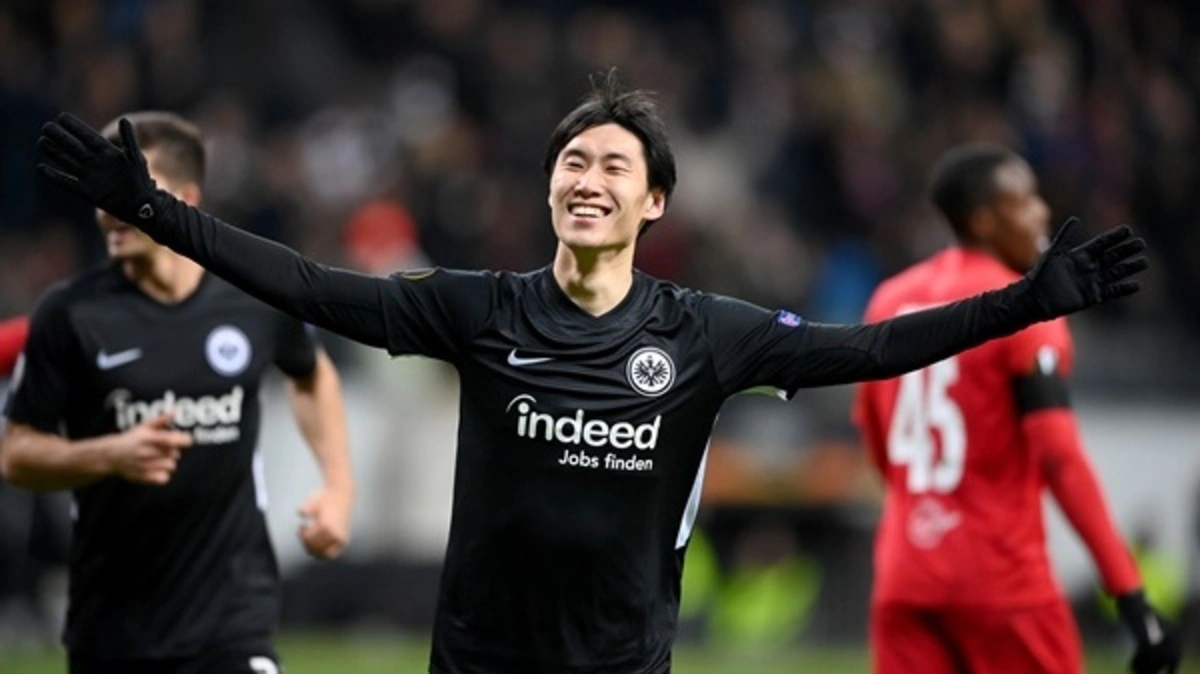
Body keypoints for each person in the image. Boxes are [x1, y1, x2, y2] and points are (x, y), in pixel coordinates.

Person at [34, 72, 1147, 673]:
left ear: (653, 201)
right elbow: (312, 285)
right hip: (479, 660)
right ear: (551, 188)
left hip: (619, 664)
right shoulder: (479, 307)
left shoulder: (706, 331)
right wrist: (157, 212)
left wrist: (1026, 300)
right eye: (573, 160)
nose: (588, 177)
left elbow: (870, 350)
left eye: (614, 164)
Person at [2, 112, 356, 674]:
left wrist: (337, 488)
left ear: (185, 199)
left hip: (233, 619)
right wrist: (107, 454)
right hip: (113, 629)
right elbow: (16, 454)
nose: (108, 208)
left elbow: (312, 374)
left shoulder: (252, 299)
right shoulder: (69, 313)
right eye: (100, 192)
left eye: (127, 188)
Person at [852, 143, 1180, 674]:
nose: (1042, 212)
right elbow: (1059, 458)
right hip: (1000, 581)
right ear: (983, 219)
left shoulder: (888, 299)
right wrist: (1129, 592)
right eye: (1025, 201)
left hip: (905, 576)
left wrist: (930, 511)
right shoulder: (1025, 305)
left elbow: (877, 440)